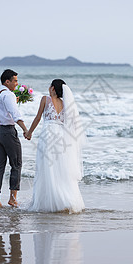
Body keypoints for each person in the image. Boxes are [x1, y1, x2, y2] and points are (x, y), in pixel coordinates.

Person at [25, 79, 85, 213]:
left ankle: (48, 203)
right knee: (60, 169)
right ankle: (64, 200)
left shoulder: (45, 99)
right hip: (61, 137)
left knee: (46, 168)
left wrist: (29, 132)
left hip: (48, 136)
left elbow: (38, 117)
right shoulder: (65, 103)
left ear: (52, 88)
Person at [0, 69, 28, 208]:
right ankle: (12, 198)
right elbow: (15, 114)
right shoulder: (9, 95)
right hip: (7, 132)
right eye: (15, 81)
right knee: (16, 164)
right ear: (7, 81)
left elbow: (0, 110)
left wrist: (14, 100)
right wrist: (25, 129)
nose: (17, 84)